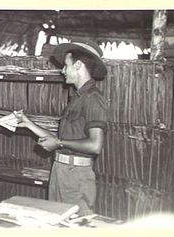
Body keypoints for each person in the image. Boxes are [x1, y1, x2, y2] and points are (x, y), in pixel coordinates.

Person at [14, 39, 108, 216]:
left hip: (76, 175)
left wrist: (58, 143)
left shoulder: (93, 99)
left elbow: (95, 145)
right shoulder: (77, 98)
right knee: (55, 223)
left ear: (78, 65)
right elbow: (60, 139)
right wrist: (27, 123)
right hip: (61, 171)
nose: (62, 70)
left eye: (66, 65)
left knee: (73, 229)